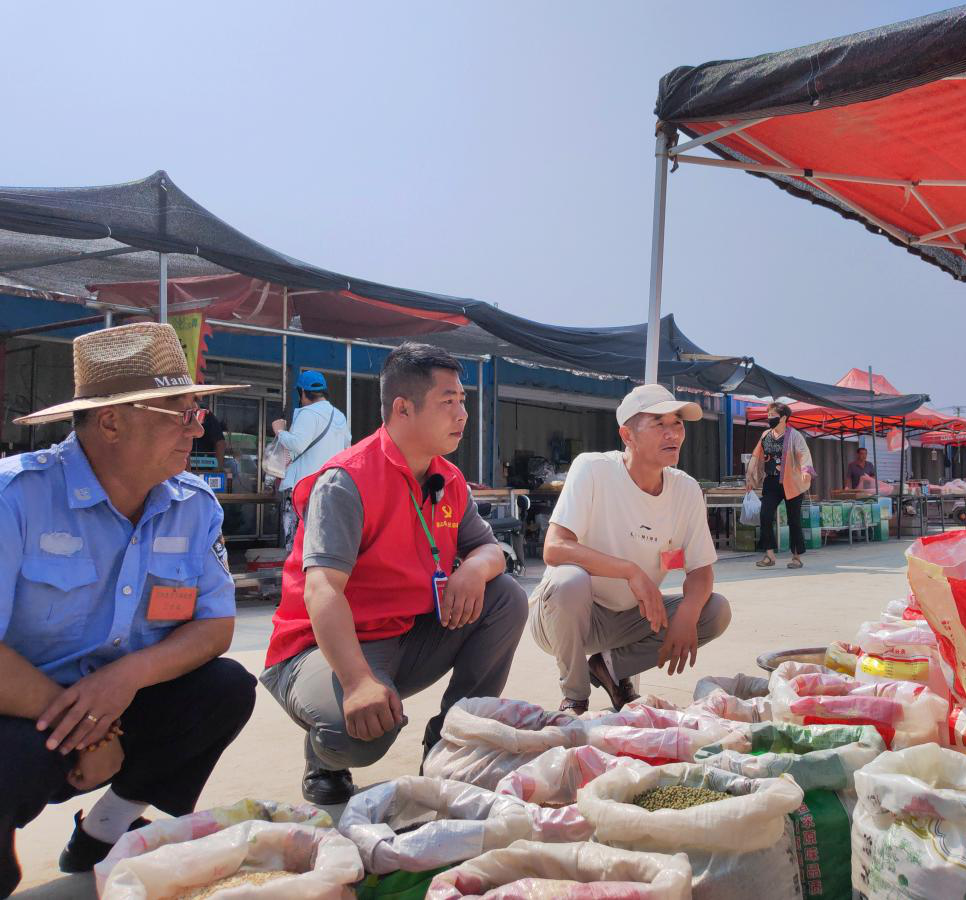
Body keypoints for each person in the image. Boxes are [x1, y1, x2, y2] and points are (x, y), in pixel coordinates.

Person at [0, 323, 257, 897]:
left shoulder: (193, 506)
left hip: (116, 701)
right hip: (24, 715)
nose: (198, 427)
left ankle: (103, 833)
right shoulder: (14, 498)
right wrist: (92, 731)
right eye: (178, 411)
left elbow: (214, 625)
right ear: (111, 420)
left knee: (223, 688)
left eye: (196, 410)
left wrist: (126, 677)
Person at [261, 343, 527, 805]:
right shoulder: (349, 479)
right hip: (326, 647)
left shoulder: (448, 479)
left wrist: (473, 571)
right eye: (448, 402)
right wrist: (359, 681)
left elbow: (490, 549)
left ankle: (452, 739)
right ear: (402, 408)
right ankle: (324, 759)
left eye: (462, 401)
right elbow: (323, 588)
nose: (462, 414)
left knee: (505, 596)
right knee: (359, 735)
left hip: (406, 634)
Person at [530, 384, 732, 714]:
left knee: (715, 610)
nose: (673, 434)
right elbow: (554, 548)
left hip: (628, 621)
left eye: (677, 423)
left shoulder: (686, 489)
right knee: (569, 580)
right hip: (566, 616)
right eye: (659, 424)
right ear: (627, 435)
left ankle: (610, 667)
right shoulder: (594, 469)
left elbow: (700, 569)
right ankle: (575, 697)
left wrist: (688, 614)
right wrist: (629, 571)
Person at [271, 370, 351, 552]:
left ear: (302, 392)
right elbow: (347, 447)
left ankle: (298, 578)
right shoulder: (339, 416)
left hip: (302, 488)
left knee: (297, 544)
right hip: (328, 487)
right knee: (320, 543)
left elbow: (297, 444)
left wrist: (280, 431)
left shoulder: (308, 413)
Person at [746, 401, 816, 569]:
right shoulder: (765, 435)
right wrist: (750, 476)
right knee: (765, 515)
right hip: (771, 482)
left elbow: (804, 454)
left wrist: (806, 470)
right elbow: (756, 456)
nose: (769, 418)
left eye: (773, 416)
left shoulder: (794, 435)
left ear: (784, 418)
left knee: (794, 520)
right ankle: (769, 555)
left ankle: (796, 557)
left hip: (791, 481)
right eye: (768, 415)